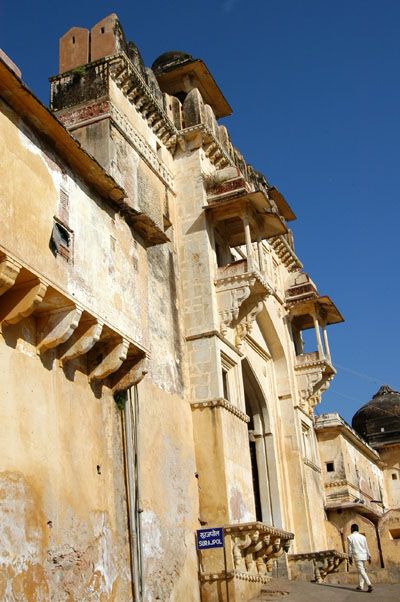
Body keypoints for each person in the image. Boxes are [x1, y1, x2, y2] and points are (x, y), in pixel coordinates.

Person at [347, 523, 373, 592]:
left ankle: (369, 584)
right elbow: (366, 547)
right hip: (364, 555)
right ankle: (361, 586)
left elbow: (350, 548)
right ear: (358, 529)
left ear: (352, 529)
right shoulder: (363, 537)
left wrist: (349, 557)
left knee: (361, 570)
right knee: (361, 570)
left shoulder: (350, 537)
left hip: (357, 556)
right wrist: (369, 556)